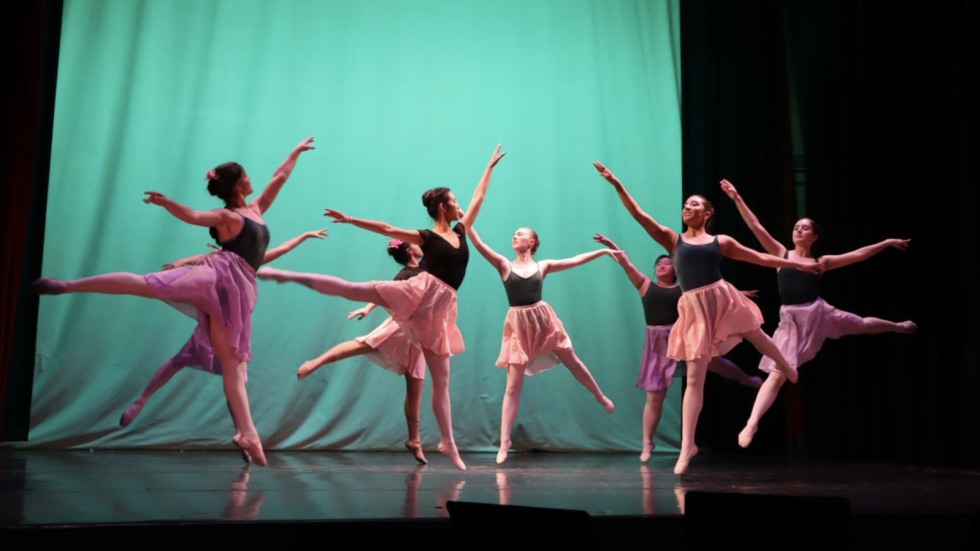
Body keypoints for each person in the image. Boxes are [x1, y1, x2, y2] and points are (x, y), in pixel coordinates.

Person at [33, 136, 317, 467]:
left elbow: (278, 178)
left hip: (239, 289)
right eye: (247, 175)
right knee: (152, 291)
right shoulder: (226, 217)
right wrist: (167, 203)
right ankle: (68, 285)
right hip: (222, 278)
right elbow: (194, 216)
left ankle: (246, 432)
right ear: (239, 183)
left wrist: (294, 153)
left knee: (233, 366)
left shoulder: (254, 210)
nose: (253, 179)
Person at [257, 144, 507, 471]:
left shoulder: (462, 229)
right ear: (443, 207)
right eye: (455, 202)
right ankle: (286, 275)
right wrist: (351, 220)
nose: (461, 205)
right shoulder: (426, 237)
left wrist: (488, 168)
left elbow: (479, 198)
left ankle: (447, 442)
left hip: (441, 308)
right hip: (421, 291)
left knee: (441, 380)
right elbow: (388, 230)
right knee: (355, 290)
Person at [592, 161, 820, 475]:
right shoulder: (674, 240)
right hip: (694, 309)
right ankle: (688, 445)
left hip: (721, 297)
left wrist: (799, 266)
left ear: (707, 213)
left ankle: (786, 366)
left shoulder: (720, 241)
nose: (688, 207)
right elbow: (639, 216)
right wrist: (617, 184)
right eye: (686, 204)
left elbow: (762, 258)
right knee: (695, 379)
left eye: (695, 204)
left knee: (756, 336)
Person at [719, 178, 916, 448]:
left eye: (805, 228)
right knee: (777, 373)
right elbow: (756, 227)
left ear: (814, 237)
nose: (799, 230)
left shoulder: (820, 262)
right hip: (791, 321)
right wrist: (736, 197)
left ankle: (897, 326)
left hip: (818, 313)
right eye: (796, 227)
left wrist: (885, 242)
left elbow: (857, 255)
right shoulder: (780, 254)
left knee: (859, 324)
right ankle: (751, 424)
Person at [118, 228, 329, 429]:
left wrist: (304, 236)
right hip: (218, 325)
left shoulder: (245, 262)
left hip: (231, 329)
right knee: (185, 363)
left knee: (223, 378)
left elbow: (279, 250)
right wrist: (182, 262)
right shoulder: (220, 258)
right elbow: (199, 258)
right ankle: (141, 401)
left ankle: (242, 431)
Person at [593, 233, 763, 463]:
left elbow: (714, 291)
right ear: (655, 271)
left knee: (716, 363)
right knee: (655, 396)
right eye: (659, 264)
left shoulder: (683, 289)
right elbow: (626, 262)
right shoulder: (645, 286)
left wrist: (738, 294)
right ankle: (647, 443)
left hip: (681, 336)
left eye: (667, 262)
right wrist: (611, 245)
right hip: (657, 344)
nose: (663, 265)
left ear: (676, 269)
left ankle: (747, 379)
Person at [466, 225, 617, 464]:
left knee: (573, 362)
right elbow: (478, 244)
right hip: (518, 325)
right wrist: (468, 222)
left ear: (533, 242)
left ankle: (600, 396)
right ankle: (505, 441)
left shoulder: (542, 266)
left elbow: (574, 261)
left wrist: (603, 253)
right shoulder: (505, 265)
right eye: (514, 233)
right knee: (513, 386)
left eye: (521, 233)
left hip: (543, 321)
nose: (515, 235)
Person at [295, 239, 430, 465]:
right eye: (415, 244)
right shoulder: (404, 275)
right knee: (363, 344)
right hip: (402, 326)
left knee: (415, 385)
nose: (419, 245)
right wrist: (368, 307)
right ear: (409, 250)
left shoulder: (425, 266)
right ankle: (315, 362)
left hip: (421, 333)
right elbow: (384, 292)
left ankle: (414, 440)